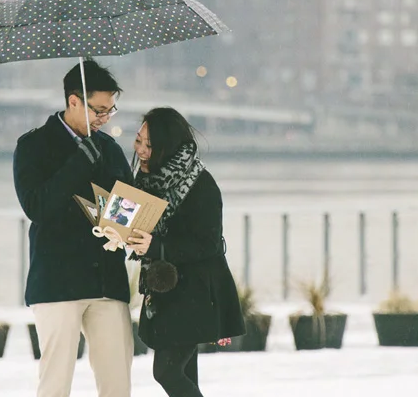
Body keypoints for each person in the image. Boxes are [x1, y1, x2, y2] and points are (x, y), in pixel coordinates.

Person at [13, 59, 134, 397]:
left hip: (106, 278)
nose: (104, 119)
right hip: (56, 281)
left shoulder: (109, 147)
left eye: (110, 111)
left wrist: (128, 222)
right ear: (73, 101)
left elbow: (127, 206)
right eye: (98, 110)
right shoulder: (32, 145)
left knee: (117, 382)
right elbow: (37, 206)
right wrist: (80, 160)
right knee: (55, 383)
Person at [126, 107, 245, 397]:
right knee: (184, 373)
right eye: (138, 140)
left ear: (167, 147)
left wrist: (156, 246)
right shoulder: (146, 180)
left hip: (197, 291)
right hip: (168, 291)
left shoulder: (200, 184)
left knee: (165, 372)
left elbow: (208, 244)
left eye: (149, 145)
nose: (140, 149)